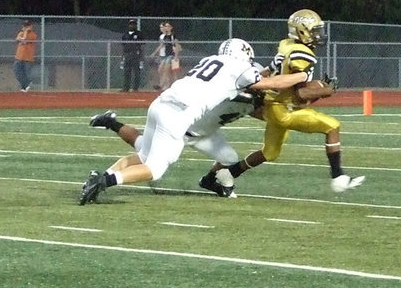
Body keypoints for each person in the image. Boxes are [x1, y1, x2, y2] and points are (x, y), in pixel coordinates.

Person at [78, 38, 307, 205]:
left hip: (161, 104)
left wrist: (272, 70)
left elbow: (258, 83)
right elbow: (266, 84)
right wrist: (302, 76)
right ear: (245, 54)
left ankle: (102, 176)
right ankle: (105, 180)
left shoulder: (213, 60)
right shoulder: (241, 69)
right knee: (154, 169)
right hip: (180, 116)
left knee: (143, 155)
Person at [205, 9, 363, 193]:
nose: (318, 35)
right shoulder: (303, 55)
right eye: (314, 31)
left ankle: (229, 173)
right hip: (282, 111)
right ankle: (338, 177)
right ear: (302, 31)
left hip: (273, 105)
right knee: (332, 126)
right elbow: (300, 95)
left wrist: (318, 87)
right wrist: (326, 90)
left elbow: (294, 83)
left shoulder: (287, 45)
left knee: (270, 152)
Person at [89, 87, 264, 197]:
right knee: (143, 151)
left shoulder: (253, 101)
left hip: (206, 134)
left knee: (229, 158)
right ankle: (111, 124)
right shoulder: (230, 90)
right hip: (182, 130)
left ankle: (208, 180)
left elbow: (262, 113)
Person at [149, 21, 181, 90]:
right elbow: (162, 45)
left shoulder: (173, 36)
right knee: (162, 69)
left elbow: (177, 46)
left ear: (171, 27)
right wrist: (154, 53)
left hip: (171, 55)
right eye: (165, 26)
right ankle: (166, 85)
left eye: (167, 26)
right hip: (166, 55)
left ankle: (162, 85)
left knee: (171, 72)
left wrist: (176, 56)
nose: (166, 27)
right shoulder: (165, 36)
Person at [120, 19, 145, 92]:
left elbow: (143, 45)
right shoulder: (125, 34)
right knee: (126, 71)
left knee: (136, 72)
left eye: (133, 24)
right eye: (131, 24)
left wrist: (142, 56)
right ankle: (125, 88)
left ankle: (135, 88)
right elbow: (123, 46)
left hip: (136, 54)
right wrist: (122, 56)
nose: (132, 25)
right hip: (127, 54)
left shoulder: (139, 34)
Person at [13, 20, 37, 92]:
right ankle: (25, 85)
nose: (25, 27)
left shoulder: (33, 35)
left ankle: (24, 87)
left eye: (27, 26)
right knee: (17, 72)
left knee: (27, 73)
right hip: (19, 57)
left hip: (28, 58)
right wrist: (23, 36)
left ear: (30, 26)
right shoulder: (20, 33)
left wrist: (26, 32)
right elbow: (18, 39)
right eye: (24, 26)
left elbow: (24, 40)